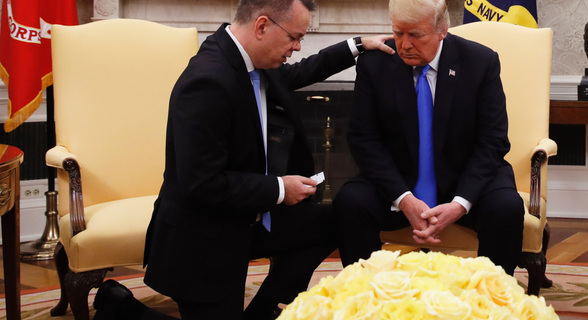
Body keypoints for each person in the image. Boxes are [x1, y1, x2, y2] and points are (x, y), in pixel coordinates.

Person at [91, 0, 393, 319]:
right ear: (262, 26)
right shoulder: (208, 82)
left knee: (334, 219)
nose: (298, 46)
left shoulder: (252, 60)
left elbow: (300, 71)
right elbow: (203, 184)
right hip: (203, 239)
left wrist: (357, 45)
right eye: (293, 37)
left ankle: (264, 312)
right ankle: (119, 307)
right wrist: (279, 189)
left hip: (247, 220)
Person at [333, 0, 524, 276]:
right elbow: (364, 139)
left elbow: (493, 140)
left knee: (506, 208)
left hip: (463, 177)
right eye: (398, 33)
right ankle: (369, 297)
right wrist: (404, 199)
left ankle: (490, 301)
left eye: (416, 35)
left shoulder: (480, 62)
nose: (404, 44)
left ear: (442, 30)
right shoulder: (374, 63)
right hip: (398, 180)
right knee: (350, 202)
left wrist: (460, 204)